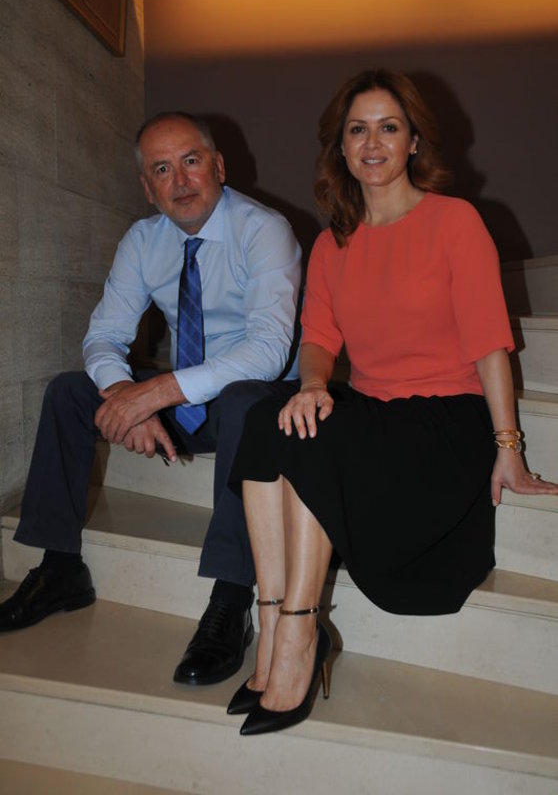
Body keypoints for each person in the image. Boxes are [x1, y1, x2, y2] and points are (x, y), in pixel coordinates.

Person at [226, 69, 558, 736]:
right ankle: (272, 623)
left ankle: (299, 634)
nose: (372, 143)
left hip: (445, 423)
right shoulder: (333, 243)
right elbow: (318, 340)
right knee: (269, 417)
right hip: (375, 418)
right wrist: (313, 384)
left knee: (315, 436)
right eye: (358, 129)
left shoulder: (454, 222)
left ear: (413, 142)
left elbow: (490, 345)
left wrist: (508, 448)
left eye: (388, 127)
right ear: (340, 147)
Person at [0, 112, 302, 688]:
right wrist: (122, 395)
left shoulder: (263, 230)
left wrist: (154, 393)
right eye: (162, 169)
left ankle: (232, 597)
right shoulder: (142, 241)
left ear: (218, 166)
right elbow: (104, 335)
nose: (180, 181)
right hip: (190, 401)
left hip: (261, 405)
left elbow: (268, 352)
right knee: (69, 392)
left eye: (191, 161)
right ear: (147, 187)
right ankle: (61, 569)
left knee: (243, 400)